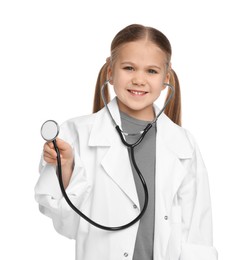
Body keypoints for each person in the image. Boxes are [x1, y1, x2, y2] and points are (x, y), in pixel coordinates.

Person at [35, 24, 218, 260]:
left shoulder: (183, 144)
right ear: (110, 71)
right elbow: (67, 225)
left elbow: (197, 233)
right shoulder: (76, 135)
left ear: (166, 78)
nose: (139, 79)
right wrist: (68, 167)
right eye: (129, 68)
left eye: (151, 71)